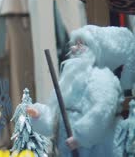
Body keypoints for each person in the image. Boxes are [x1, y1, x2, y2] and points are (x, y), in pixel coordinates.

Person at [26, 25, 135, 157]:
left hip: (98, 150)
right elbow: (58, 117)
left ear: (95, 49)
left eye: (81, 44)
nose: (74, 48)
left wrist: (81, 137)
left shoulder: (101, 77)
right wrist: (40, 115)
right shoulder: (68, 81)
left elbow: (102, 110)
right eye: (74, 44)